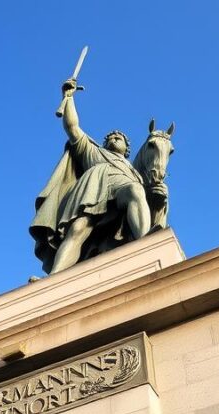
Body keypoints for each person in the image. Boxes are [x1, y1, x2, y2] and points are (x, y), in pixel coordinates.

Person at [30, 79, 154, 275]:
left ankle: (146, 242)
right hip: (94, 188)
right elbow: (72, 127)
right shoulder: (93, 151)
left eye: (119, 138)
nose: (113, 138)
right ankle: (54, 276)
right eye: (110, 137)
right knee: (78, 229)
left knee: (135, 190)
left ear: (127, 149)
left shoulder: (135, 173)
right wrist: (69, 98)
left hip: (122, 191)